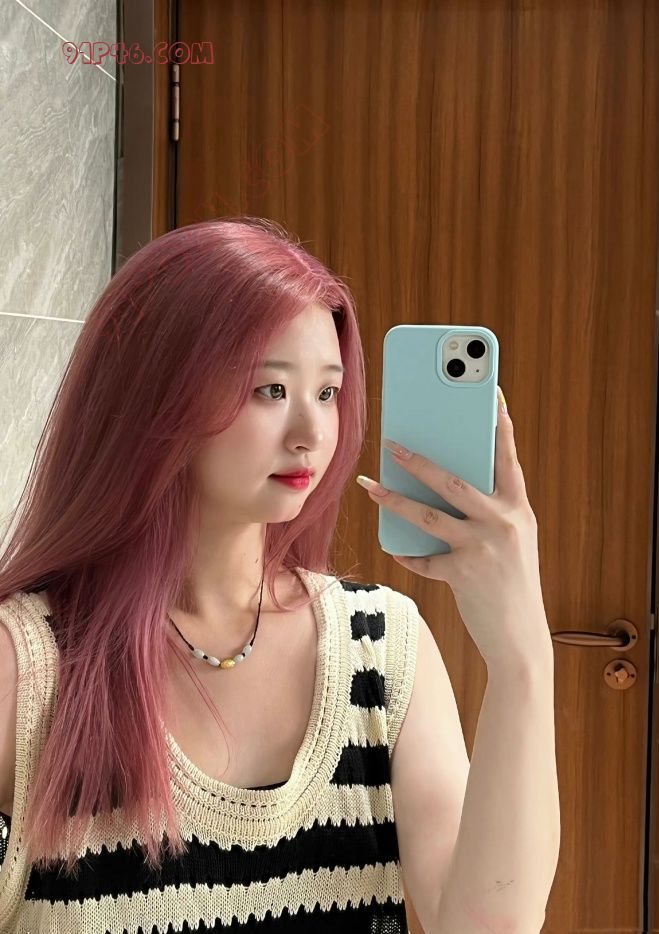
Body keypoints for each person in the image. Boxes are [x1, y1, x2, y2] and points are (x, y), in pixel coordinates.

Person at [0, 217, 435, 932]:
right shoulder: (29, 665)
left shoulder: (380, 645)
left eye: (328, 393)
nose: (311, 434)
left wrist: (517, 642)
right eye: (271, 390)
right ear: (154, 395)